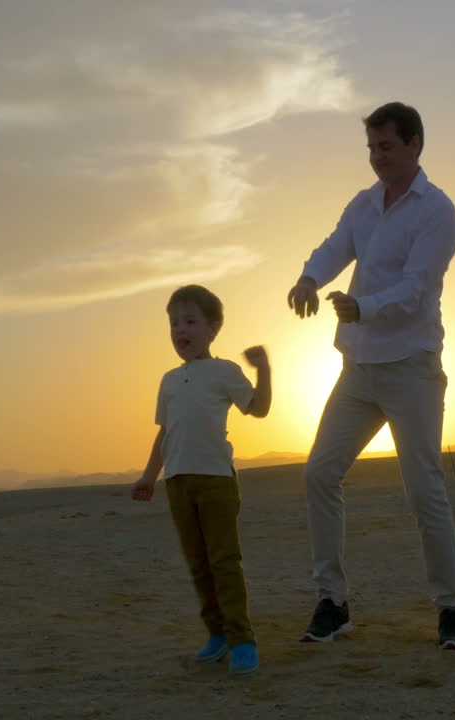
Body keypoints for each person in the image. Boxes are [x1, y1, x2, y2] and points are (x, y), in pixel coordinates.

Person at [286, 101, 455, 650]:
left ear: (415, 145)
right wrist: (308, 278)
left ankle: (452, 607)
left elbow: (417, 288)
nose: (377, 157)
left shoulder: (438, 212)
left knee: (424, 489)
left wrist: (362, 307)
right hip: (358, 367)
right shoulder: (364, 204)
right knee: (320, 473)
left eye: (386, 146)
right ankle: (333, 601)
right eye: (371, 147)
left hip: (411, 368)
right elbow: (335, 246)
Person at [130, 284, 271, 674]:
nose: (180, 330)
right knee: (198, 563)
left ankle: (242, 639)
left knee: (224, 561)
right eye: (174, 323)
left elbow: (258, 408)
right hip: (177, 481)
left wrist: (264, 370)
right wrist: (148, 477)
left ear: (213, 327)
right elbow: (165, 433)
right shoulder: (168, 380)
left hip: (216, 480)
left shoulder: (225, 371)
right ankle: (217, 634)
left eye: (190, 321)